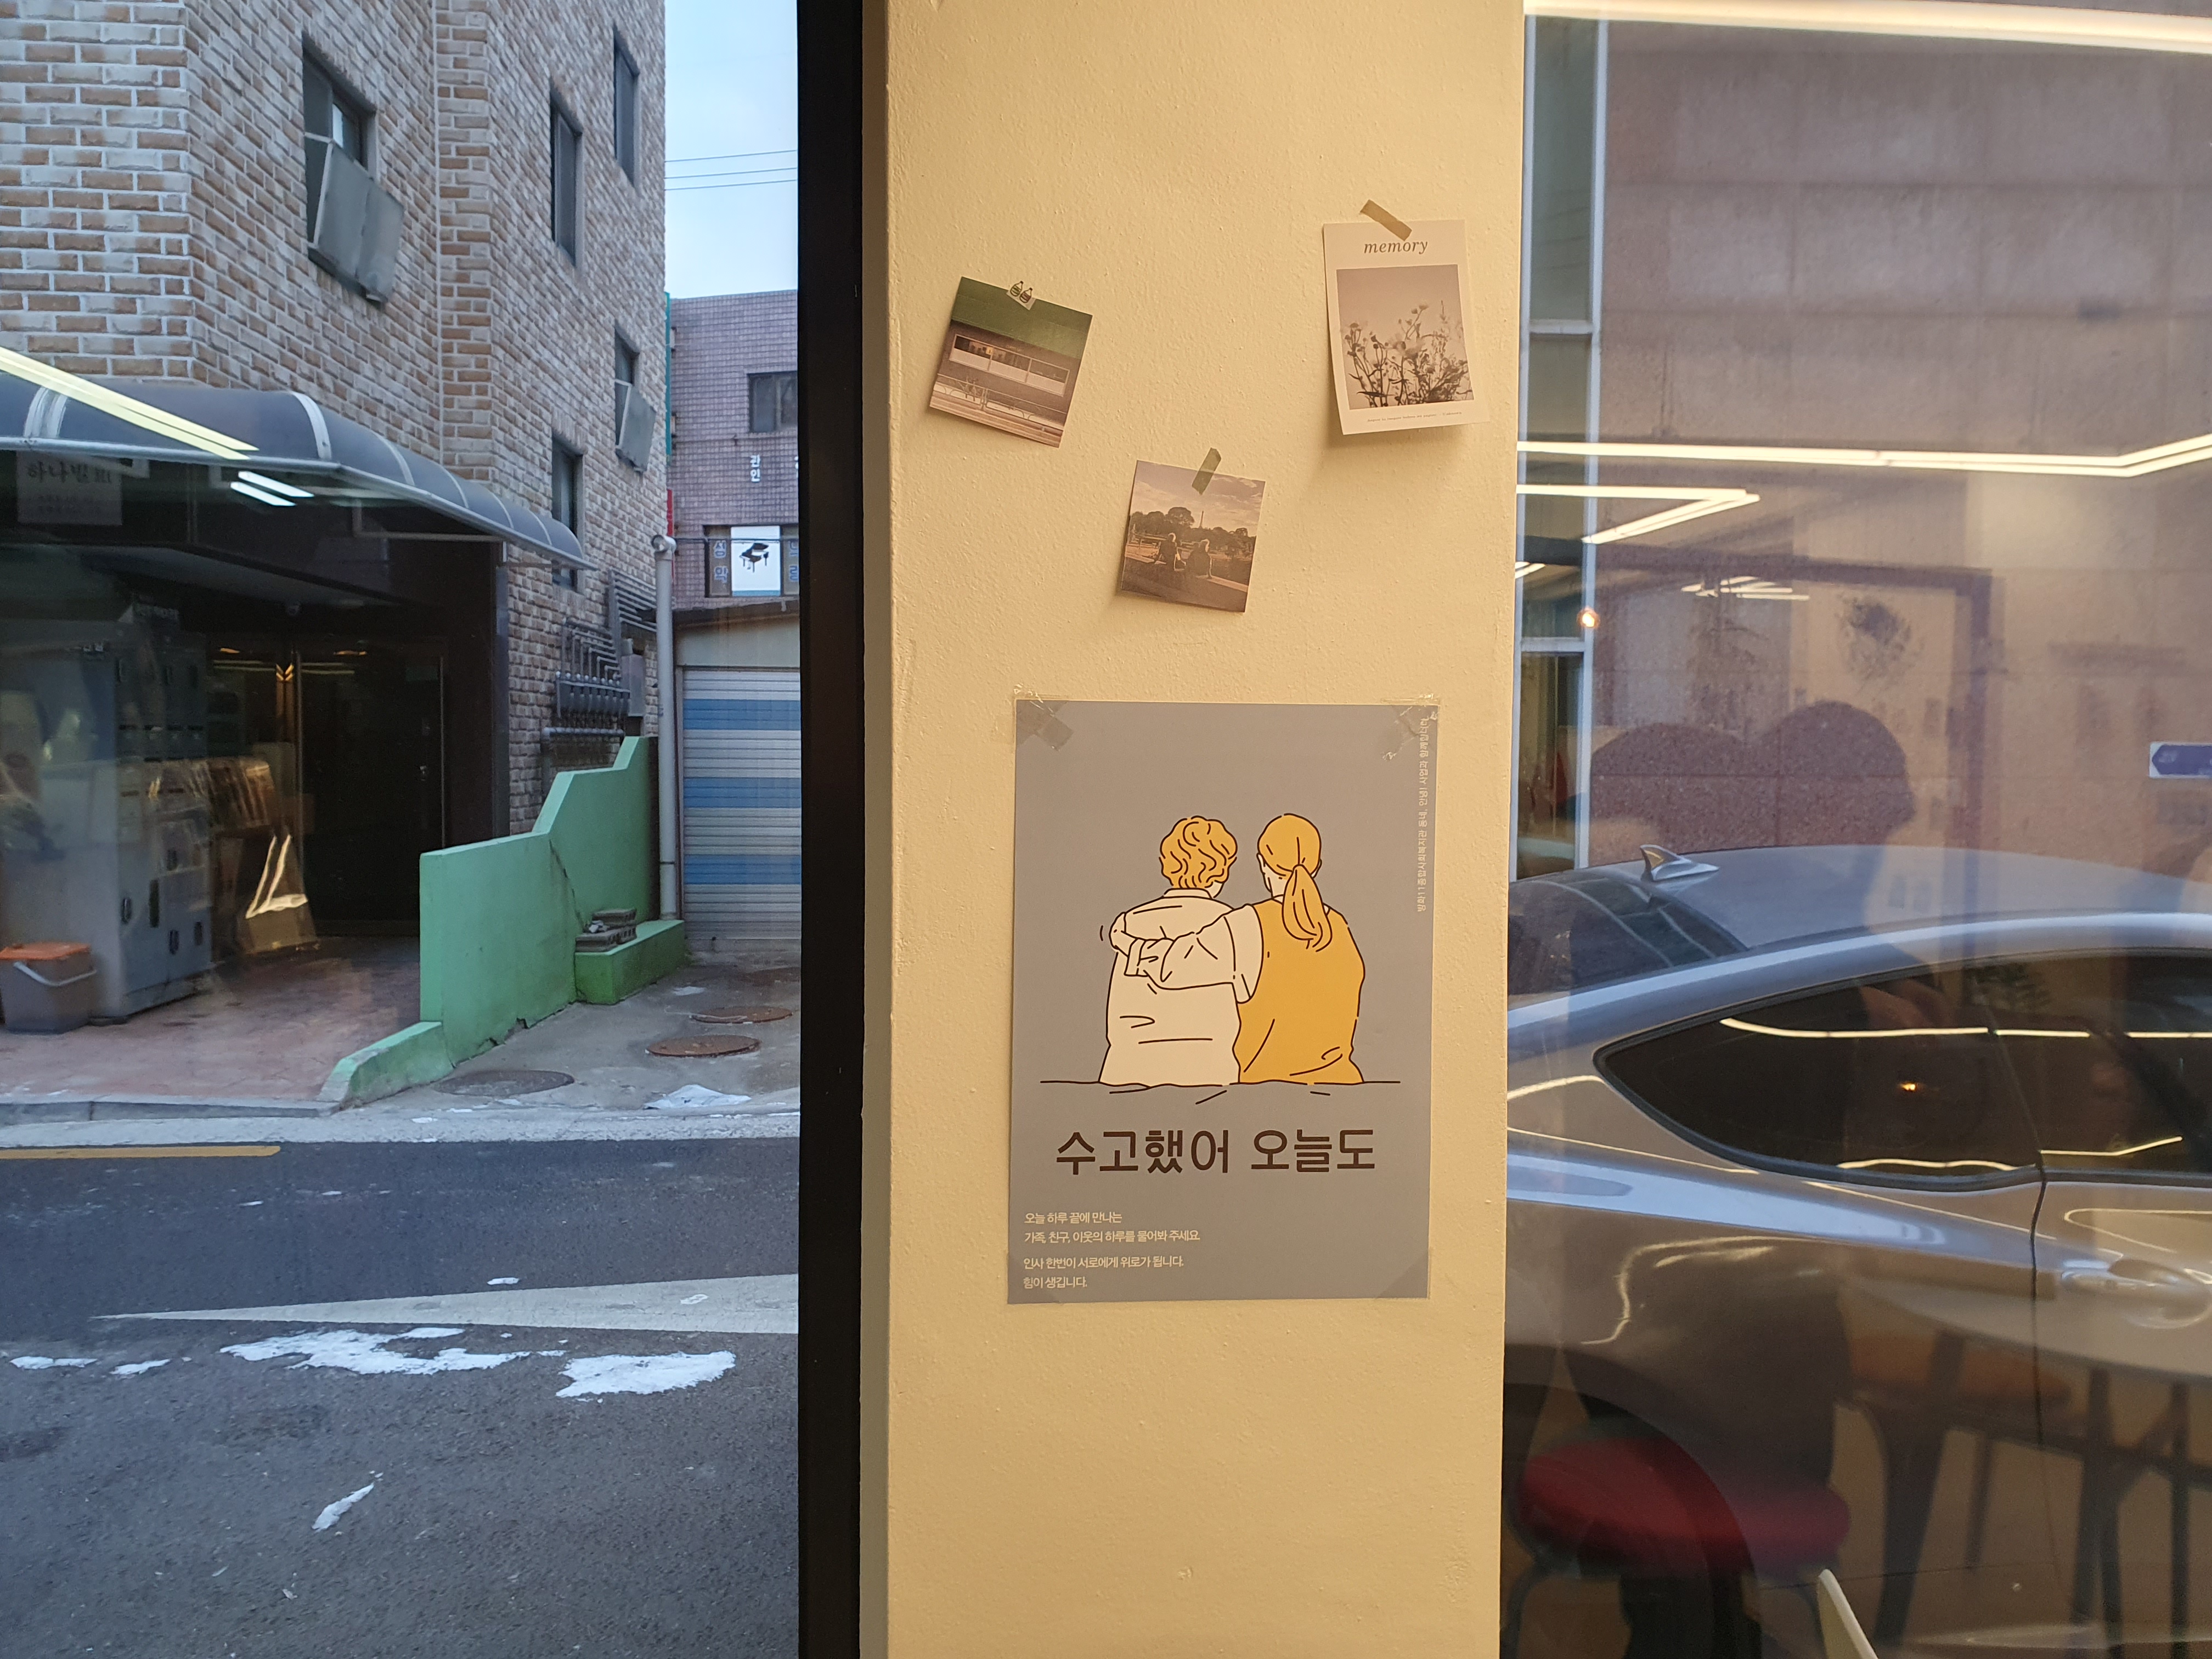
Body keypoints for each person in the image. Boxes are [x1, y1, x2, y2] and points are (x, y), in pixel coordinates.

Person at [1119, 812, 1364, 1084]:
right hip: (1344, 1086)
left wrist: (1127, 942)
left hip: (1269, 1090)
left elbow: (1170, 969)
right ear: (1317, 867)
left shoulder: (1247, 925)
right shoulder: (1340, 928)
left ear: (1263, 863)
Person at [1097, 816, 1241, 1086]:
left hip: (1129, 1070)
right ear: (1222, 870)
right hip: (1210, 1072)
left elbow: (1119, 1012)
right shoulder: (1229, 923)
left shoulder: (1130, 923)